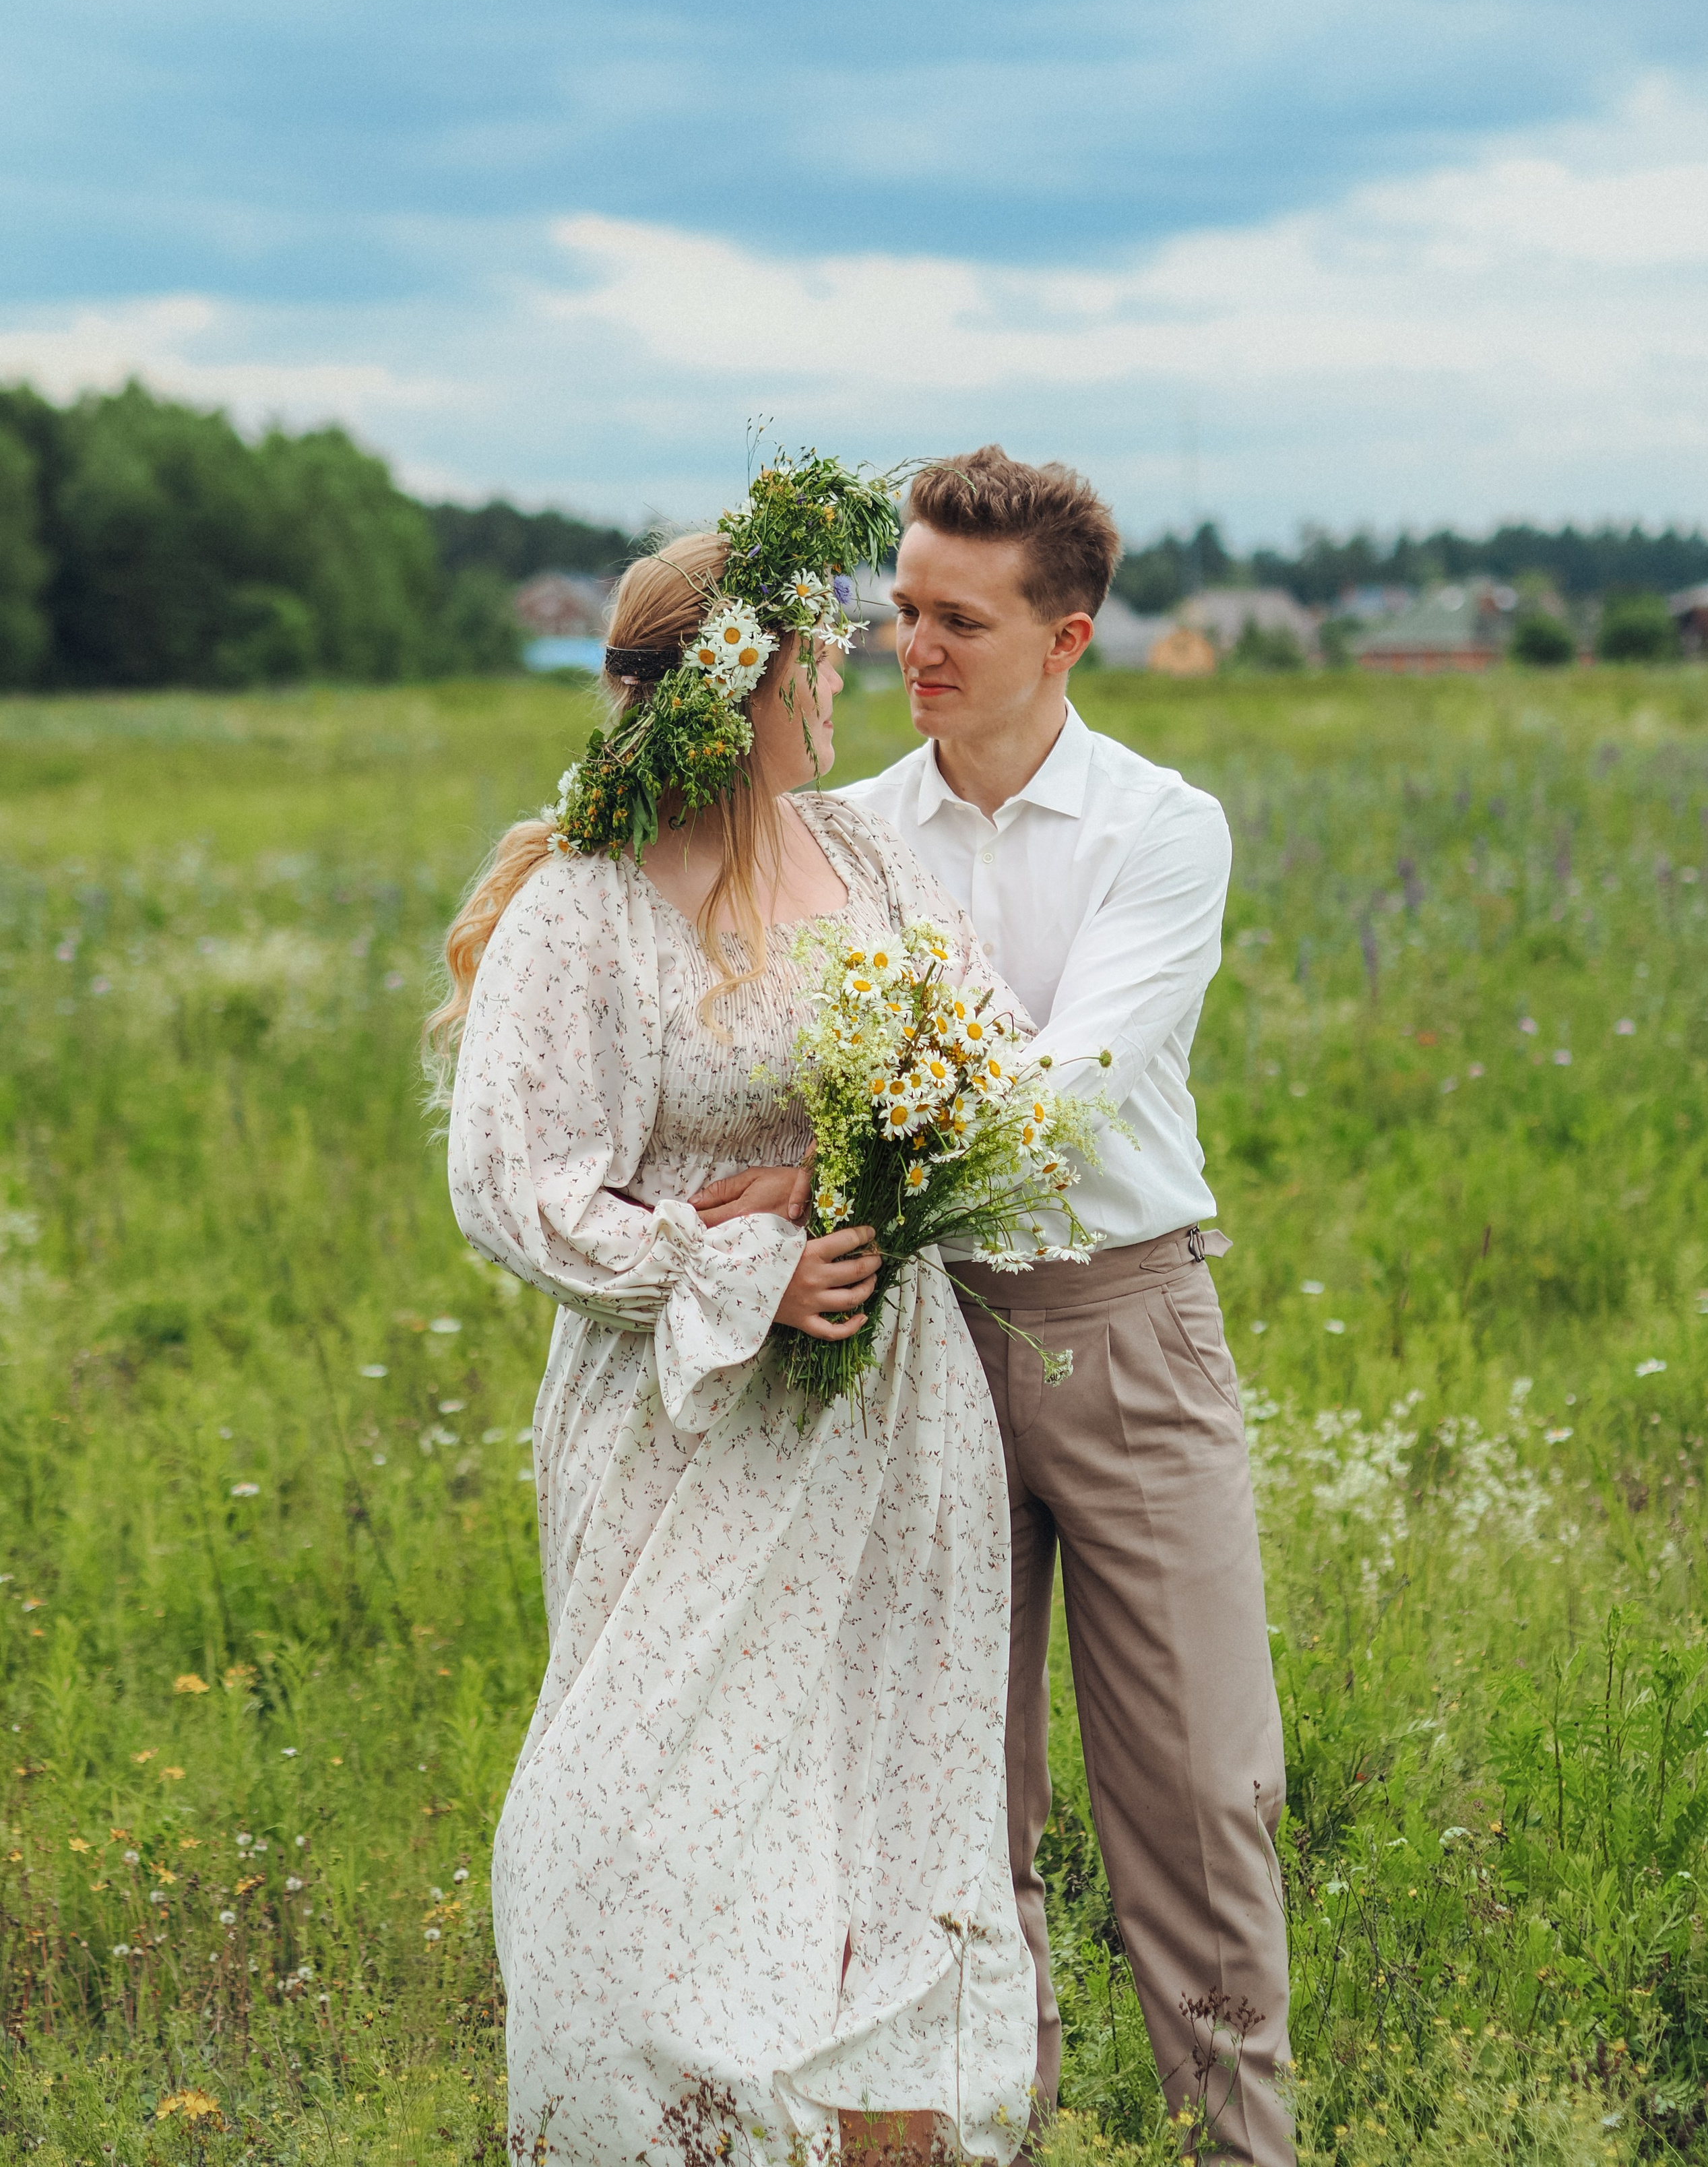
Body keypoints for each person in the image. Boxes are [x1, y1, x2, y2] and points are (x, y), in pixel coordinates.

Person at [432, 517, 1038, 2167]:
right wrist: (732, 1265)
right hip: (686, 1417)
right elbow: (511, 1182)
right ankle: (664, 2135)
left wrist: (848, 1185)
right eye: (810, 648)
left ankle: (881, 2138)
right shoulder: (586, 902)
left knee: (879, 1798)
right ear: (730, 684)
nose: (839, 669)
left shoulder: (869, 856)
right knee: (634, 1811)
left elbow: (964, 1052)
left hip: (890, 1413)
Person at [844, 449, 1293, 2166]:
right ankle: (990, 2136)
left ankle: (1229, 2146)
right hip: (912, 1340)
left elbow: (1071, 1091)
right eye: (900, 610)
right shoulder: (849, 838)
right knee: (957, 1795)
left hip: (1123, 1330)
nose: (914, 647)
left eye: (957, 618)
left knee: (1197, 1794)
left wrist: (851, 1150)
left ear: (1069, 637)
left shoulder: (1159, 829)